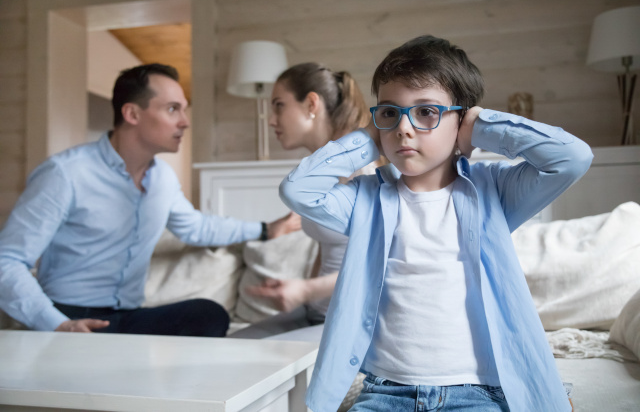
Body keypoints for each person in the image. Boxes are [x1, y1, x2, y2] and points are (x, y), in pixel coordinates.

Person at [279, 36, 592, 411]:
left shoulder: (494, 190)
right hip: (386, 392)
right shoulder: (365, 199)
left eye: (426, 111)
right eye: (391, 112)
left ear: (460, 119)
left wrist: (483, 126)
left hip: (475, 393)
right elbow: (298, 190)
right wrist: (368, 139)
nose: (404, 128)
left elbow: (571, 158)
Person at [0, 63, 300, 337]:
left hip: (126, 319)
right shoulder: (65, 174)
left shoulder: (163, 179)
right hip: (71, 316)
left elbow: (196, 227)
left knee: (208, 315)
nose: (184, 122)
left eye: (184, 110)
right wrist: (57, 324)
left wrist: (266, 230)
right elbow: (7, 260)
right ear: (132, 114)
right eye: (173, 109)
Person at [230, 62, 376, 339]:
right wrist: (299, 292)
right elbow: (325, 247)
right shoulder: (316, 169)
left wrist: (305, 290)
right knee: (230, 347)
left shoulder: (358, 169)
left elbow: (375, 266)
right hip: (315, 312)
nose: (271, 119)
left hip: (347, 320)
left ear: (311, 104)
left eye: (279, 105)